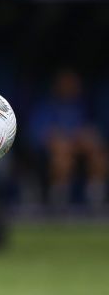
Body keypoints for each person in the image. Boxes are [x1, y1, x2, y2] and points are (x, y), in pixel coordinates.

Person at [30, 69, 107, 210]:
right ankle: (59, 203)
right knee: (62, 158)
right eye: (67, 82)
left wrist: (84, 138)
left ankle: (96, 201)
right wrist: (58, 141)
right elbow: (38, 136)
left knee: (99, 155)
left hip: (79, 151)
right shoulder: (47, 106)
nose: (71, 85)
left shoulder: (84, 106)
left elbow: (93, 132)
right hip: (51, 156)